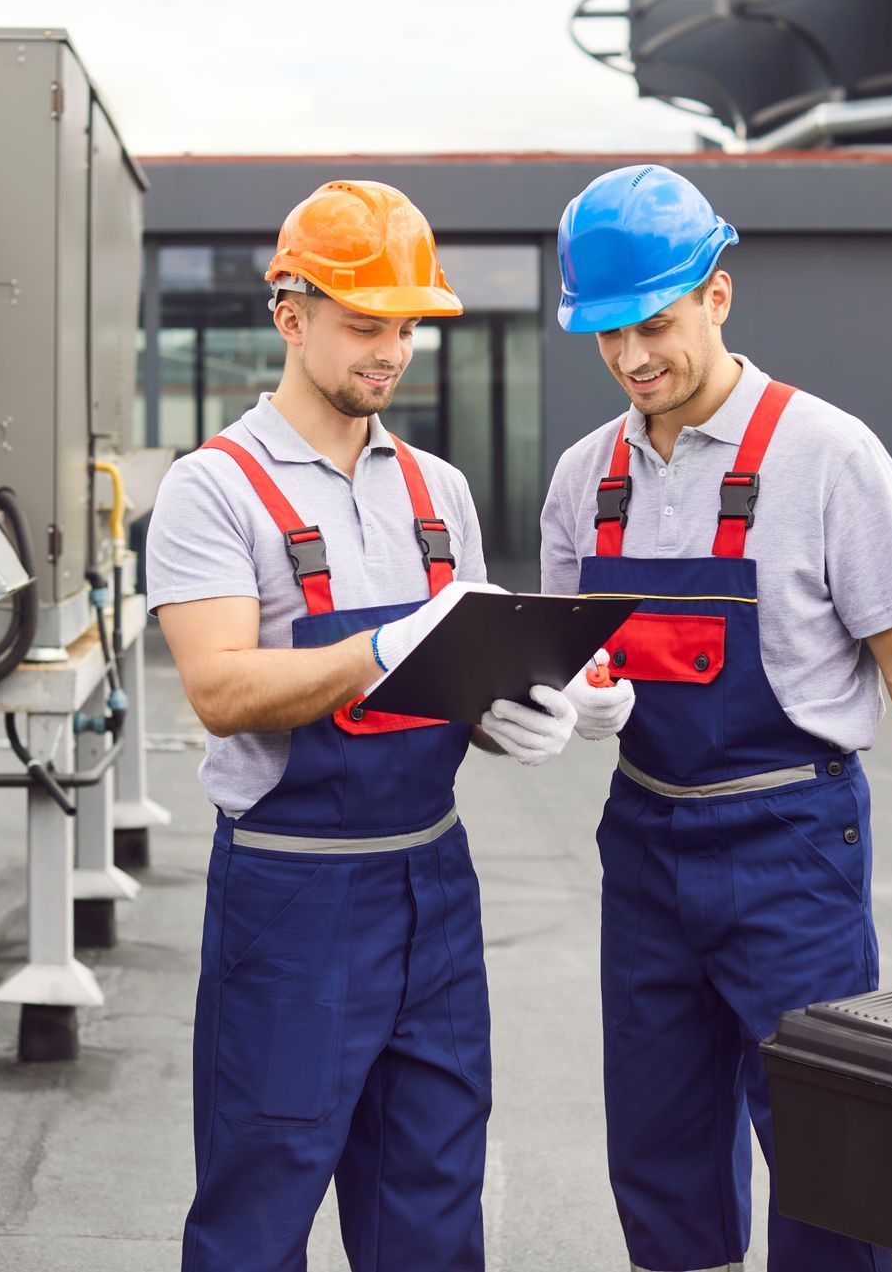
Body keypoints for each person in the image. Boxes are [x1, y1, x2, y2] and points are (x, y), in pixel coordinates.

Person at [539, 164, 892, 1272]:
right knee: (660, 1150)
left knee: (830, 1156)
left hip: (791, 848)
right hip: (645, 845)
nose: (630, 359)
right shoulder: (583, 477)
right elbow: (567, 650)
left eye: (652, 324)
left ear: (718, 291)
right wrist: (574, 696)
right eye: (606, 335)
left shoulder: (829, 457)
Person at [146, 179, 582, 1271]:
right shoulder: (215, 490)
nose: (390, 354)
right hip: (292, 893)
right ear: (289, 314)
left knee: (432, 1200)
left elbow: (460, 674)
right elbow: (220, 688)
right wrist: (378, 650)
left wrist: (529, 708)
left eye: (405, 329)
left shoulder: (438, 491)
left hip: (432, 883)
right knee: (261, 1200)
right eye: (363, 325)